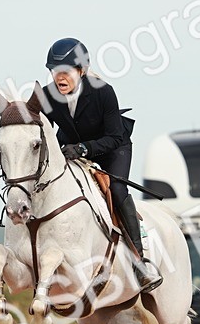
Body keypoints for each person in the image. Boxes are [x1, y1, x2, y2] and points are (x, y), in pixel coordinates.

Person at [40, 37, 162, 293]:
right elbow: (41, 130)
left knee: (116, 191)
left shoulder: (102, 91)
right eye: (54, 72)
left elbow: (115, 136)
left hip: (112, 148)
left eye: (65, 72)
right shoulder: (49, 96)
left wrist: (85, 149)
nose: (59, 78)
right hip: (72, 149)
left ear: (81, 71)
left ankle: (140, 262)